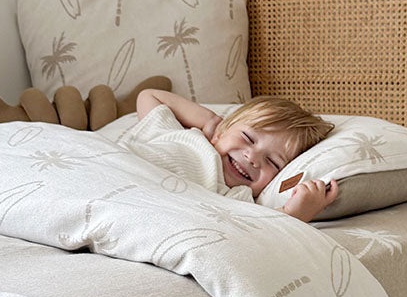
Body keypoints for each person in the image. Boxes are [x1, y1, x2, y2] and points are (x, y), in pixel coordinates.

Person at [130, 88, 340, 222]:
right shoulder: (183, 137)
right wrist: (210, 122)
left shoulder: (237, 197)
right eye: (247, 138)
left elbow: (254, 230)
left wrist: (294, 214)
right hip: (114, 166)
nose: (252, 157)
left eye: (272, 161)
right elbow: (149, 96)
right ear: (221, 132)